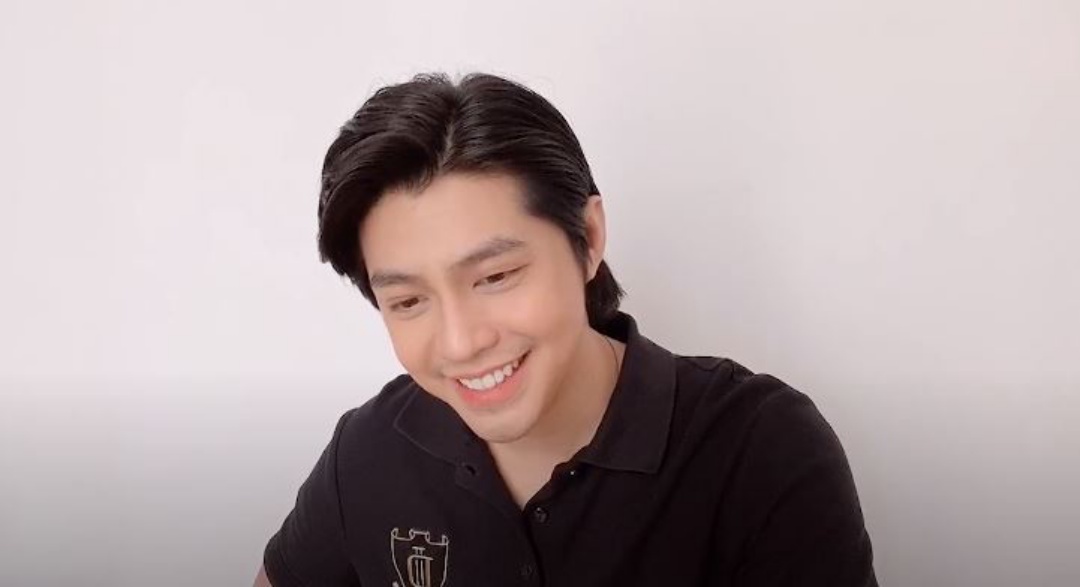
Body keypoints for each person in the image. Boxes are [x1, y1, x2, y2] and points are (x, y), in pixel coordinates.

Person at [254, 72, 876, 587]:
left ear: (589, 238)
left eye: (496, 276)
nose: (461, 343)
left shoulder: (758, 449)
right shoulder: (369, 450)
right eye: (409, 301)